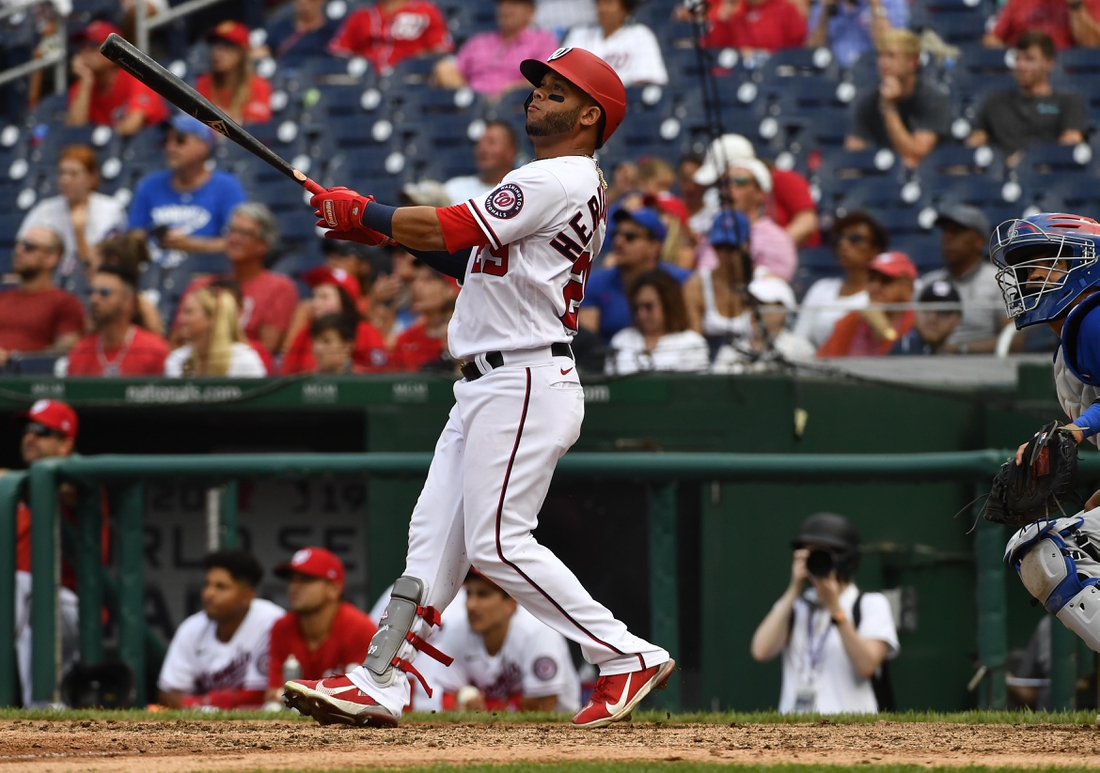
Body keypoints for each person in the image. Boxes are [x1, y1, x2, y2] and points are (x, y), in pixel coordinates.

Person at [287, 47, 674, 729]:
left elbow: (456, 227)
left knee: (496, 541)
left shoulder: (560, 175)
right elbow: (471, 257)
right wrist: (371, 230)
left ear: (591, 114)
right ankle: (382, 680)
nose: (538, 97)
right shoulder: (561, 181)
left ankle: (623, 653)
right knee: (432, 541)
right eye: (540, 87)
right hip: (490, 380)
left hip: (524, 375)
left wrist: (369, 212)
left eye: (558, 92)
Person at [750, 513, 899, 714]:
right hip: (795, 733)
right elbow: (761, 651)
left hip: (852, 734)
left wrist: (835, 609)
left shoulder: (870, 604)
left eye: (821, 554)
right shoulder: (797, 606)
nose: (815, 561)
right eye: (807, 553)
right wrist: (794, 588)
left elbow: (866, 666)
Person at [7, 400, 84, 708]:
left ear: (65, 444)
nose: (29, 437)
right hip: (27, 605)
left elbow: (73, 491)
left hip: (71, 604)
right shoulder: (18, 490)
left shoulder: (76, 478)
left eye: (41, 431)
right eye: (28, 429)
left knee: (24, 586)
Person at [428, 571, 581, 713]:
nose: (471, 605)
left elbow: (545, 702)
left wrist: (486, 708)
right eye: (469, 594)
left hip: (559, 731)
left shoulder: (536, 631)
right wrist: (461, 703)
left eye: (483, 595)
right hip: (495, 733)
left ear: (511, 603)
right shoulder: (456, 632)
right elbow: (447, 695)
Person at [157, 550, 284, 709]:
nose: (209, 594)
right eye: (207, 585)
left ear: (247, 596)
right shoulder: (192, 628)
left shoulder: (271, 621)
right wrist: (203, 707)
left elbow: (261, 695)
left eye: (221, 587)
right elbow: (168, 693)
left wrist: (206, 703)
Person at [128, 114, 248, 270]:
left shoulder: (226, 186)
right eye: (167, 141)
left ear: (203, 146)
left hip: (206, 273)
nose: (170, 147)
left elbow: (239, 243)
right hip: (154, 273)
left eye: (180, 140)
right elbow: (134, 235)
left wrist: (189, 245)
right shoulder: (149, 184)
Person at [175, 203, 299, 354]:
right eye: (232, 231)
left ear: (264, 245)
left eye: (244, 233)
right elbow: (176, 342)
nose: (234, 238)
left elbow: (266, 350)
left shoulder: (279, 288)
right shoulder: (200, 286)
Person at [264, 547, 378, 707]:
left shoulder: (360, 628)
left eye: (306, 579)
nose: (294, 587)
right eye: (292, 579)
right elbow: (274, 693)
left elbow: (366, 698)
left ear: (334, 589)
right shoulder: (282, 627)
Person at [16, 145, 127, 292]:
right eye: (62, 173)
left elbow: (100, 268)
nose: (65, 180)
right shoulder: (44, 209)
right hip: (49, 286)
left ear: (91, 177)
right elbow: (23, 250)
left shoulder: (110, 210)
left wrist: (79, 231)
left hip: (93, 288)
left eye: (74, 174)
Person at [967, 32, 1086, 163]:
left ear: (1049, 63)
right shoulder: (995, 101)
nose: (1021, 66)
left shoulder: (1066, 102)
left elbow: (1071, 141)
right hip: (999, 175)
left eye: (1029, 59)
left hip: (1047, 177)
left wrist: (1026, 160)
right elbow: (976, 140)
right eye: (1018, 59)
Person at [581, 207, 691, 342]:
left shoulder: (682, 281)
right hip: (611, 359)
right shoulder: (595, 283)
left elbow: (690, 331)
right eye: (616, 234)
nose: (618, 242)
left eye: (630, 237)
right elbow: (587, 343)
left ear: (654, 246)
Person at [845, 30, 951, 168]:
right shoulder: (869, 101)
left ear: (912, 62)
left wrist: (889, 107)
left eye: (891, 56)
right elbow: (853, 151)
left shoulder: (934, 99)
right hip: (885, 177)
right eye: (880, 56)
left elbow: (916, 153)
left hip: (933, 176)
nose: (883, 63)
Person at [693, 134, 820, 249]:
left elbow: (807, 222)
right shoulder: (727, 194)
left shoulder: (783, 179)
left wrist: (774, 249)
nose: (725, 187)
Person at [916, 205, 1008, 354]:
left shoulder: (1001, 282)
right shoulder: (928, 283)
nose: (948, 238)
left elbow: (1013, 341)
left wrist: (959, 348)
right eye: (946, 231)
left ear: (979, 241)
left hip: (983, 369)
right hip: (926, 366)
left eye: (957, 231)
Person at [793, 212, 885, 348]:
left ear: (875, 250)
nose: (843, 244)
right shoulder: (821, 289)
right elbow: (798, 341)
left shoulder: (883, 294)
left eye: (855, 239)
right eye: (839, 238)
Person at [433, 0, 559, 98]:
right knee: (443, 68)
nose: (507, 9)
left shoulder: (543, 40)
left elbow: (546, 77)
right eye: (503, 4)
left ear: (530, 12)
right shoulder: (479, 41)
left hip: (516, 107)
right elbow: (452, 69)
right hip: (474, 104)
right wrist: (473, 97)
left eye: (514, 4)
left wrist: (508, 93)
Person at [65, 20, 170, 136]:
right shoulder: (82, 87)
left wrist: (102, 139)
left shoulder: (135, 75)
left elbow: (132, 125)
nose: (84, 51)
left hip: (154, 142)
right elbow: (74, 132)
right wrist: (85, 81)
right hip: (113, 147)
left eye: (92, 45)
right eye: (82, 46)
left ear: (114, 50)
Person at [0, 227, 84, 370]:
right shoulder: (3, 298)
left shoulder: (65, 302)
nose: (18, 251)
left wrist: (13, 359)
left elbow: (66, 349)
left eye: (29, 246)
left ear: (51, 258)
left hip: (30, 382)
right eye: (18, 245)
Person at [64, 265, 170, 376]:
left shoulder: (154, 351)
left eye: (105, 293)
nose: (94, 300)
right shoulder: (81, 352)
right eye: (91, 292)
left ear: (128, 301)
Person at [280, 266, 387, 373]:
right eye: (314, 296)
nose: (315, 304)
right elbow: (286, 375)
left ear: (345, 300)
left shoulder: (365, 331)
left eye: (324, 297)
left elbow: (381, 374)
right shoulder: (305, 332)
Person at [606, 270, 710, 375]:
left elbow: (694, 387)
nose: (641, 314)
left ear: (668, 305)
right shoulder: (620, 341)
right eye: (636, 308)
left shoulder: (692, 343)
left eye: (648, 307)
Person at [818, 251, 917, 357]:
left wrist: (885, 331)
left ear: (908, 288)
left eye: (886, 280)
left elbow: (903, 363)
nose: (874, 287)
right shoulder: (851, 320)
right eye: (871, 279)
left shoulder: (917, 322)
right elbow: (823, 360)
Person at [713, 274, 815, 371]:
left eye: (761, 304)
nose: (753, 310)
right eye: (750, 304)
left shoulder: (801, 351)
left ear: (782, 311)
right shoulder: (730, 352)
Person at [684, 210, 753, 348]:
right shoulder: (696, 285)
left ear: (747, 244)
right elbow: (694, 343)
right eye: (719, 246)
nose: (725, 255)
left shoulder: (763, 283)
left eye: (732, 248)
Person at [722, 159, 797, 282]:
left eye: (740, 182)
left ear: (760, 193)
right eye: (725, 182)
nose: (730, 188)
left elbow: (773, 289)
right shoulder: (710, 233)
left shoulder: (776, 239)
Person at [562, 0, 668, 87]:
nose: (603, 8)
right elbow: (561, 74)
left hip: (626, 105)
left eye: (609, 3)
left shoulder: (640, 35)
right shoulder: (578, 35)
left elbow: (648, 80)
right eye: (600, 3)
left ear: (625, 9)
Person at [165, 287, 267, 377]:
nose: (181, 319)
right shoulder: (178, 359)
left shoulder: (244, 359)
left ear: (212, 318)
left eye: (189, 312)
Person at [328, 0, 453, 72]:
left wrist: (418, 57)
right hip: (366, 76)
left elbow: (440, 50)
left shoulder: (425, 11)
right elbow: (339, 51)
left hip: (410, 77)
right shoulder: (361, 15)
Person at [196, 21, 273, 126]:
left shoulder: (258, 85)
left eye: (227, 46)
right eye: (214, 44)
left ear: (242, 53)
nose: (217, 52)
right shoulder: (204, 81)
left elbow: (257, 126)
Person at [389, 265, 458, 371]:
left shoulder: (468, 335)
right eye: (414, 280)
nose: (416, 286)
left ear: (450, 289)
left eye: (427, 280)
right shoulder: (406, 340)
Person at [805, 0, 907, 69]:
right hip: (833, 75)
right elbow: (812, 52)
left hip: (873, 73)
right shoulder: (825, 4)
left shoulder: (891, 2)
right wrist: (825, 12)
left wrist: (875, 5)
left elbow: (888, 46)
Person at [444, 121, 519, 205]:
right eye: (479, 142)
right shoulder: (453, 189)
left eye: (491, 142)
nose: (482, 148)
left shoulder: (523, 192)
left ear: (511, 151)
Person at [701, 0, 807, 56]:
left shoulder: (785, 9)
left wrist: (762, 55)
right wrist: (723, 17)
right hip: (737, 78)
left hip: (776, 78)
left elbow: (797, 48)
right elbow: (711, 47)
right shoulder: (734, 12)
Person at [259, 0, 342, 68]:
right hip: (285, 76)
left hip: (319, 79)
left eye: (311, 1)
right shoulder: (280, 26)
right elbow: (265, 50)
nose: (304, 2)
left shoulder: (333, 31)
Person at [984, 0, 1100, 49]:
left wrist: (1075, 4)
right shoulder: (1019, 1)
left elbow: (1092, 45)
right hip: (1021, 78)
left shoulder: (1089, 2)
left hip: (1065, 74)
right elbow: (992, 39)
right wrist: (1020, 59)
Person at [888, 279, 963, 355]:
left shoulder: (962, 356)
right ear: (915, 312)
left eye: (942, 312)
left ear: (957, 320)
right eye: (926, 308)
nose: (932, 318)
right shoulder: (902, 347)